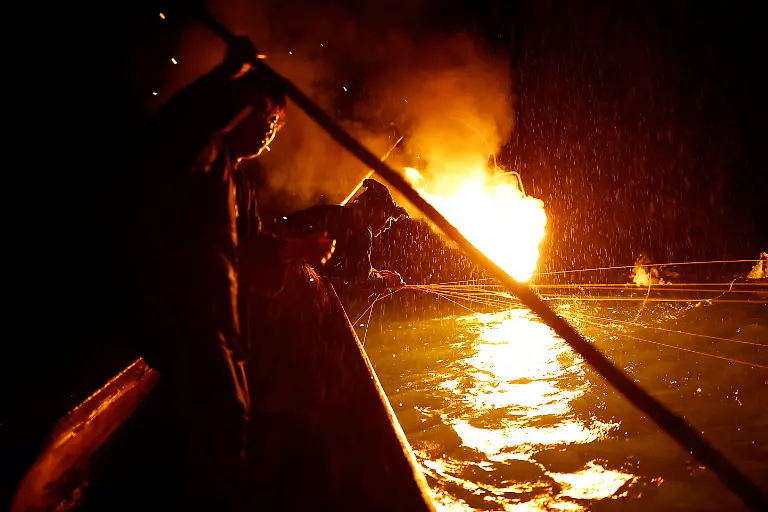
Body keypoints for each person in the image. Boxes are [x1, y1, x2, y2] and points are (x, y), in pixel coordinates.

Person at [133, 37, 334, 511]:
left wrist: (296, 249)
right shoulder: (200, 156)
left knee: (231, 420)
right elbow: (177, 127)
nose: (270, 132)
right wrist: (230, 74)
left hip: (220, 325)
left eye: (277, 125)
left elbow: (248, 245)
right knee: (224, 424)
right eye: (266, 117)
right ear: (237, 112)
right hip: (190, 321)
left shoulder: (236, 177)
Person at [276, 178, 408, 293]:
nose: (387, 226)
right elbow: (360, 278)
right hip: (286, 268)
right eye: (387, 217)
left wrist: (378, 275)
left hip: (280, 254)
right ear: (376, 212)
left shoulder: (340, 213)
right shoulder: (361, 231)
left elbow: (354, 269)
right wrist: (386, 282)